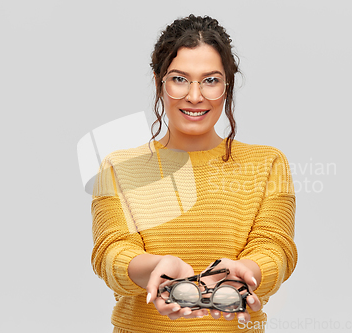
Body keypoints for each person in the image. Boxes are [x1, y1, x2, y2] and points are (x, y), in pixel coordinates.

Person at [91, 14, 297, 333]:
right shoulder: (119, 167)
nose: (195, 96)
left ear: (227, 85)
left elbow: (275, 247)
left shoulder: (268, 163)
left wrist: (246, 271)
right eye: (180, 79)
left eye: (210, 80)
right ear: (160, 82)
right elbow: (112, 251)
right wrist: (156, 268)